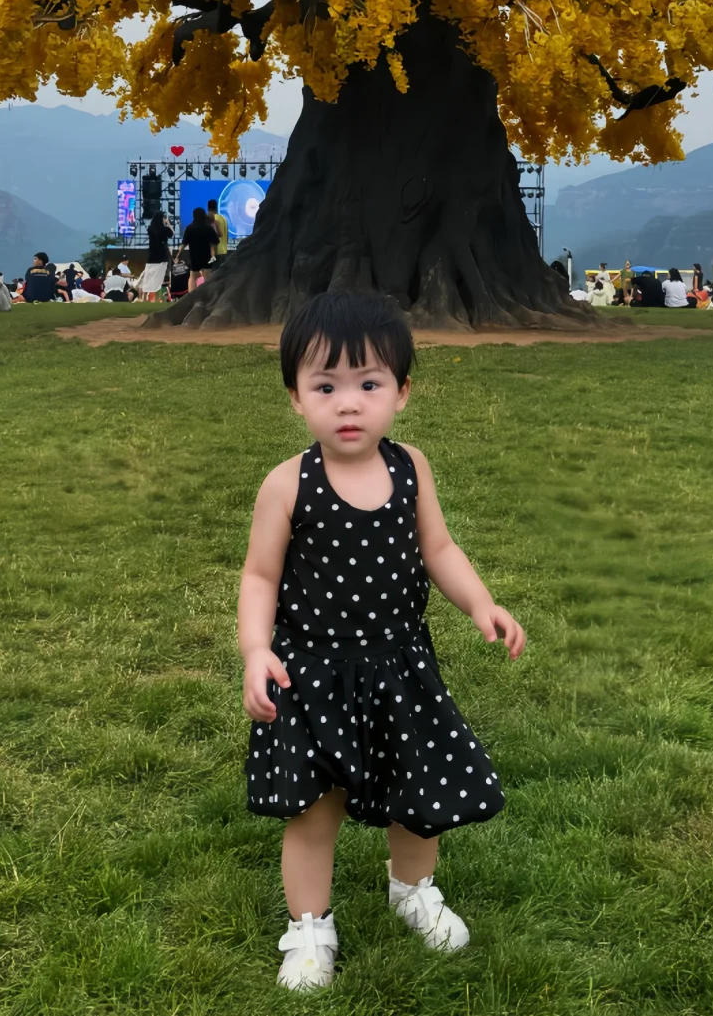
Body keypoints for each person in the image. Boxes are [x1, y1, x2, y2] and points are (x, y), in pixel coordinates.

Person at [238, 291, 524, 991]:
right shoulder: (287, 485)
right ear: (295, 398)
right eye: (325, 385)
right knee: (313, 809)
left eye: (369, 384)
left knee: (417, 789)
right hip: (312, 674)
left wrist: (480, 601)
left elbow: (439, 547)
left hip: (400, 666)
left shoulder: (410, 468)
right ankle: (309, 927)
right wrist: (255, 649)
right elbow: (259, 574)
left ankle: (412, 889)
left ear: (401, 392)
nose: (348, 403)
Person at [140, 209, 175, 300]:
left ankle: (144, 298)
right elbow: (172, 233)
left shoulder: (150, 228)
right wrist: (167, 223)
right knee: (158, 279)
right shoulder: (165, 229)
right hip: (162, 257)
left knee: (148, 277)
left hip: (152, 256)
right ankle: (156, 298)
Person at [182, 206, 215, 293]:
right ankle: (207, 295)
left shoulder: (189, 228)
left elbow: (184, 243)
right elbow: (215, 241)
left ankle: (191, 296)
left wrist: (178, 254)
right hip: (206, 255)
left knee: (193, 276)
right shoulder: (208, 228)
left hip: (194, 255)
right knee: (207, 277)